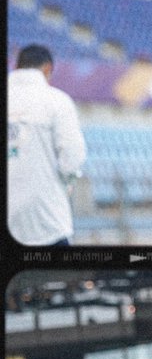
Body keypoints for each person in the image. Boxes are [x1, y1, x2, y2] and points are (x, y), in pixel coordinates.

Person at [7, 44, 87, 246]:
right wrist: (69, 180)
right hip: (46, 222)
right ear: (47, 69)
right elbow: (72, 159)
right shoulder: (57, 101)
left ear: (17, 67)